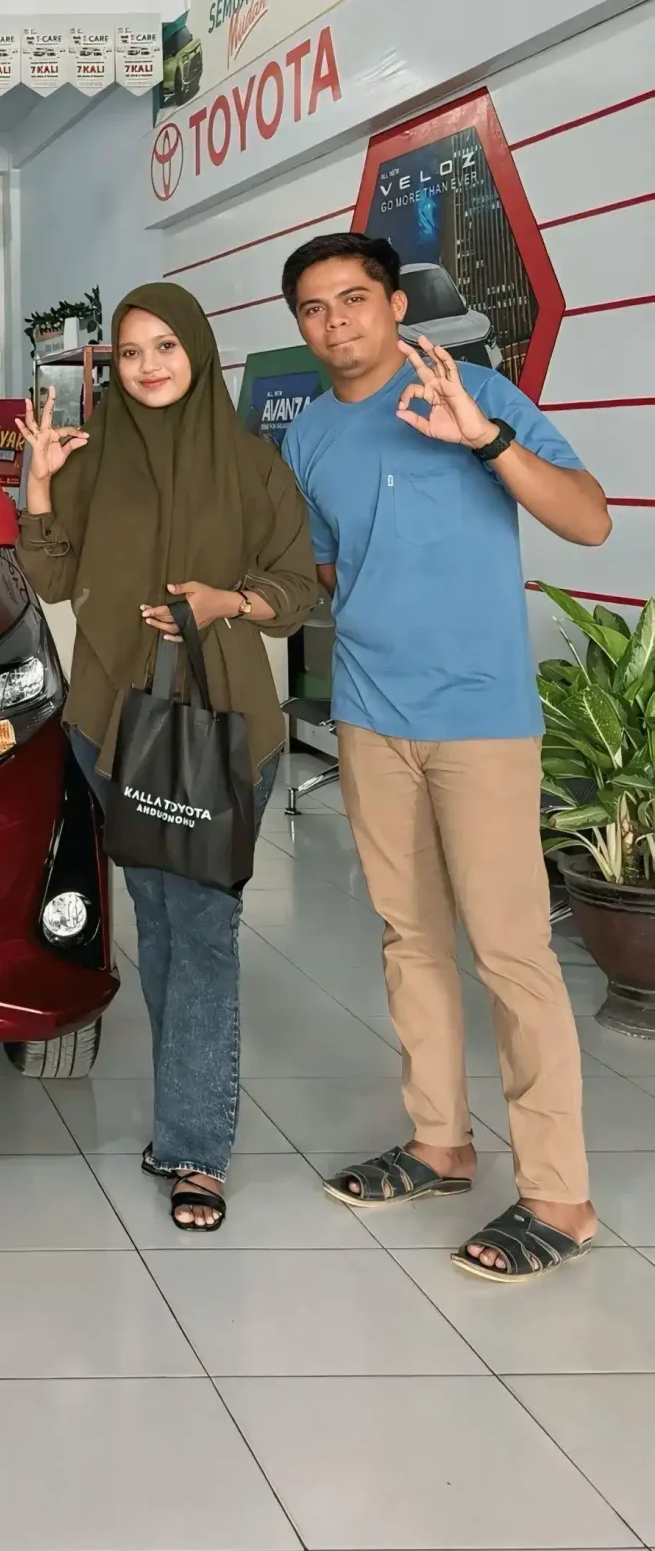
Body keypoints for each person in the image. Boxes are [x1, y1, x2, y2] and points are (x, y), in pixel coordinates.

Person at [279, 232, 611, 1282]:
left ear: (393, 305)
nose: (336, 321)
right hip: (371, 716)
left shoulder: (475, 392)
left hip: (479, 718)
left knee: (511, 952)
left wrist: (485, 440)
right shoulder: (310, 435)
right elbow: (328, 567)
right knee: (408, 937)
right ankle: (440, 1143)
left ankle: (559, 1196)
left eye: (354, 298)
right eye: (315, 308)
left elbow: (590, 521)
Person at [15, 284, 316, 1229]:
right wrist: (39, 484)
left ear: (199, 351)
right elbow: (52, 577)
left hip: (224, 725)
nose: (148, 366)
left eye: (166, 347)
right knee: (158, 920)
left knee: (206, 928)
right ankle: (184, 1121)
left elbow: (296, 591)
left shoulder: (253, 464)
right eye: (132, 351)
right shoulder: (92, 458)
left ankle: (196, 1150)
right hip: (113, 722)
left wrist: (226, 603)